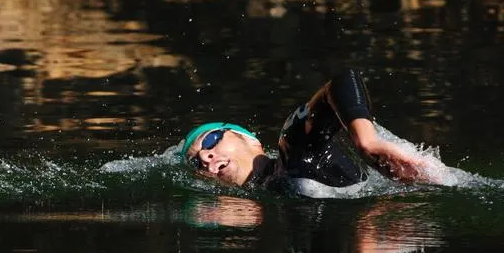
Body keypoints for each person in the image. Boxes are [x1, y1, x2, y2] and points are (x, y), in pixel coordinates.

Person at [180, 69, 440, 195]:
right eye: (196, 162)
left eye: (211, 140)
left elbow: (342, 81)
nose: (204, 156)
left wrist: (367, 142)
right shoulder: (273, 195)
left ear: (249, 139)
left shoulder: (292, 148)